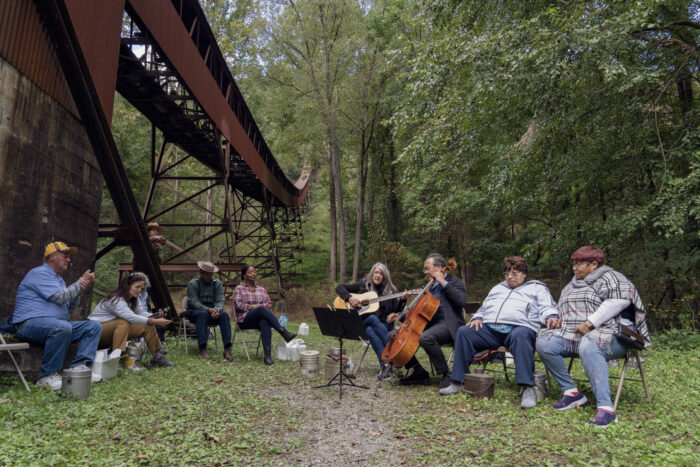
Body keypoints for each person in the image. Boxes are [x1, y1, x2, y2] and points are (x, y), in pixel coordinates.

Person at [536, 246, 651, 427]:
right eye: (573, 263)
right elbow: (563, 309)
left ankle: (606, 409)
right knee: (544, 342)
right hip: (574, 336)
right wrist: (557, 320)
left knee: (590, 343)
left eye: (579, 263)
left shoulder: (612, 278)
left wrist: (590, 323)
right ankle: (571, 393)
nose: (574, 267)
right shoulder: (571, 285)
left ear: (594, 264)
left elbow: (619, 301)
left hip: (613, 337)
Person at [439, 256, 560, 408]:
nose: (510, 277)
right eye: (507, 273)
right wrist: (477, 317)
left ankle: (527, 387)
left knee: (521, 335)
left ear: (524, 273)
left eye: (514, 273)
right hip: (492, 329)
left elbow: (546, 306)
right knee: (464, 331)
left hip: (519, 328)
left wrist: (551, 315)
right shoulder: (498, 288)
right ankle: (458, 381)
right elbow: (484, 308)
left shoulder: (537, 288)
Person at [9, 241, 102, 390]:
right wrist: (80, 282)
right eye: (65, 256)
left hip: (57, 326)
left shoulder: (59, 280)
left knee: (93, 326)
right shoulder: (38, 273)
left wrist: (79, 290)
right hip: (29, 324)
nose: (69, 260)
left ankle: (79, 369)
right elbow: (59, 298)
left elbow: (70, 305)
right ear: (52, 257)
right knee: (62, 327)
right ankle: (46, 376)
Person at [387, 253, 467, 388]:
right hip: (429, 324)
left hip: (448, 324)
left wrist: (443, 282)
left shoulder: (454, 282)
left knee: (425, 338)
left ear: (439, 267)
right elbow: (418, 311)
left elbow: (461, 301)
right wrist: (400, 315)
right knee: (393, 335)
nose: (425, 273)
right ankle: (419, 372)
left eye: (427, 268)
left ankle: (446, 374)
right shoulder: (429, 287)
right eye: (424, 269)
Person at [336, 263, 407, 380]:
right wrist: (349, 297)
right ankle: (393, 352)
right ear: (372, 273)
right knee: (372, 319)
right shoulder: (363, 285)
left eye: (381, 274)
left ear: (385, 277)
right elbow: (339, 287)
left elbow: (396, 310)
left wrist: (403, 300)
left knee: (370, 330)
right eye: (376, 272)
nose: (378, 276)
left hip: (383, 325)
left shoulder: (391, 290)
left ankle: (385, 366)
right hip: (361, 324)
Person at [89, 272, 174, 368]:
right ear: (127, 286)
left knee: (146, 324)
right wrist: (154, 321)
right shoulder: (115, 300)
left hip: (113, 331)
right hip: (94, 332)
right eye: (137, 287)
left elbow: (142, 314)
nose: (139, 290)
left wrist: (155, 316)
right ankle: (115, 359)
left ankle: (156, 356)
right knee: (123, 323)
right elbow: (131, 317)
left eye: (141, 288)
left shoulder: (133, 299)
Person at [233, 265, 297, 365]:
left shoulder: (261, 289)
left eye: (254, 272)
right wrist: (252, 307)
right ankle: (283, 332)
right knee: (261, 309)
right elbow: (238, 304)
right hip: (245, 320)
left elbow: (269, 304)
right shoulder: (239, 289)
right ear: (244, 275)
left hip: (258, 320)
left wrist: (259, 307)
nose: (253, 274)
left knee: (264, 321)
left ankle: (267, 356)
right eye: (250, 272)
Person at [186, 261, 234, 361]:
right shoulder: (193, 283)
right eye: (206, 274)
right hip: (196, 311)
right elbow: (193, 301)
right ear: (201, 272)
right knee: (203, 314)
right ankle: (203, 348)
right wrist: (208, 309)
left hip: (213, 310)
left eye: (210, 274)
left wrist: (217, 310)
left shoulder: (218, 284)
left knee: (224, 315)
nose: (209, 276)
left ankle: (227, 349)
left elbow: (220, 300)